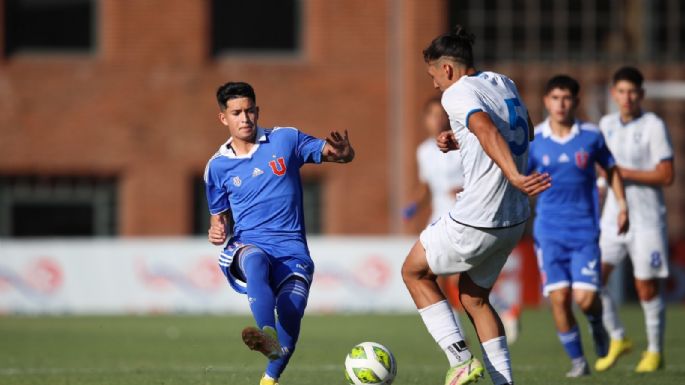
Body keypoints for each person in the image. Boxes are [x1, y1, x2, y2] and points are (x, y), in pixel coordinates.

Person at [400, 25, 551, 385]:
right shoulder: (502, 82)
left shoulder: (456, 93)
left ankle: (461, 359)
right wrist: (461, 137)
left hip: (479, 214)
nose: (434, 84)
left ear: (447, 70)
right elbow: (525, 129)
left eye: (433, 75)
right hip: (513, 218)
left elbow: (486, 129)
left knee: (414, 272)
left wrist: (513, 174)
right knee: (474, 297)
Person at [204, 82, 354, 385]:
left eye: (249, 111)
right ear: (224, 118)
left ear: (257, 111)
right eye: (236, 113)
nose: (244, 118)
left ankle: (269, 378)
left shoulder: (286, 139)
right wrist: (216, 228)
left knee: (291, 310)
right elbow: (217, 217)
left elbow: (335, 154)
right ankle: (266, 332)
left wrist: (344, 153)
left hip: (293, 251)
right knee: (256, 260)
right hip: (247, 244)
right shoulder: (216, 167)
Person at [529, 75, 629, 377]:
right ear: (546, 101)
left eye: (567, 98)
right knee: (559, 298)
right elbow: (519, 178)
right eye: (555, 98)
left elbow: (611, 169)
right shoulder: (534, 140)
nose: (561, 104)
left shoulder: (591, 136)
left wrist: (622, 205)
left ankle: (597, 325)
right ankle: (578, 362)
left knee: (586, 300)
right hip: (548, 233)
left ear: (576, 101)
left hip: (585, 231)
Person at [404, 97, 522, 345]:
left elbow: (480, 175)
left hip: (464, 215)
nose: (436, 119)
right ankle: (458, 335)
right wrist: (414, 205)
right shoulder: (424, 151)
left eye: (440, 114)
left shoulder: (460, 144)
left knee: (458, 279)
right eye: (431, 115)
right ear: (425, 120)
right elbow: (427, 185)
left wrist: (461, 188)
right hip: (438, 217)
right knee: (437, 280)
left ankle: (504, 308)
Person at [595, 67, 675, 373]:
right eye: (622, 91)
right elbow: (604, 172)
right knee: (593, 280)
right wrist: (601, 188)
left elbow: (667, 175)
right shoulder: (606, 124)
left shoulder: (654, 125)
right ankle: (618, 337)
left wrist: (623, 172)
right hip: (612, 219)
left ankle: (654, 351)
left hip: (646, 219)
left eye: (633, 92)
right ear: (613, 94)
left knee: (645, 288)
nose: (627, 97)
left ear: (640, 94)